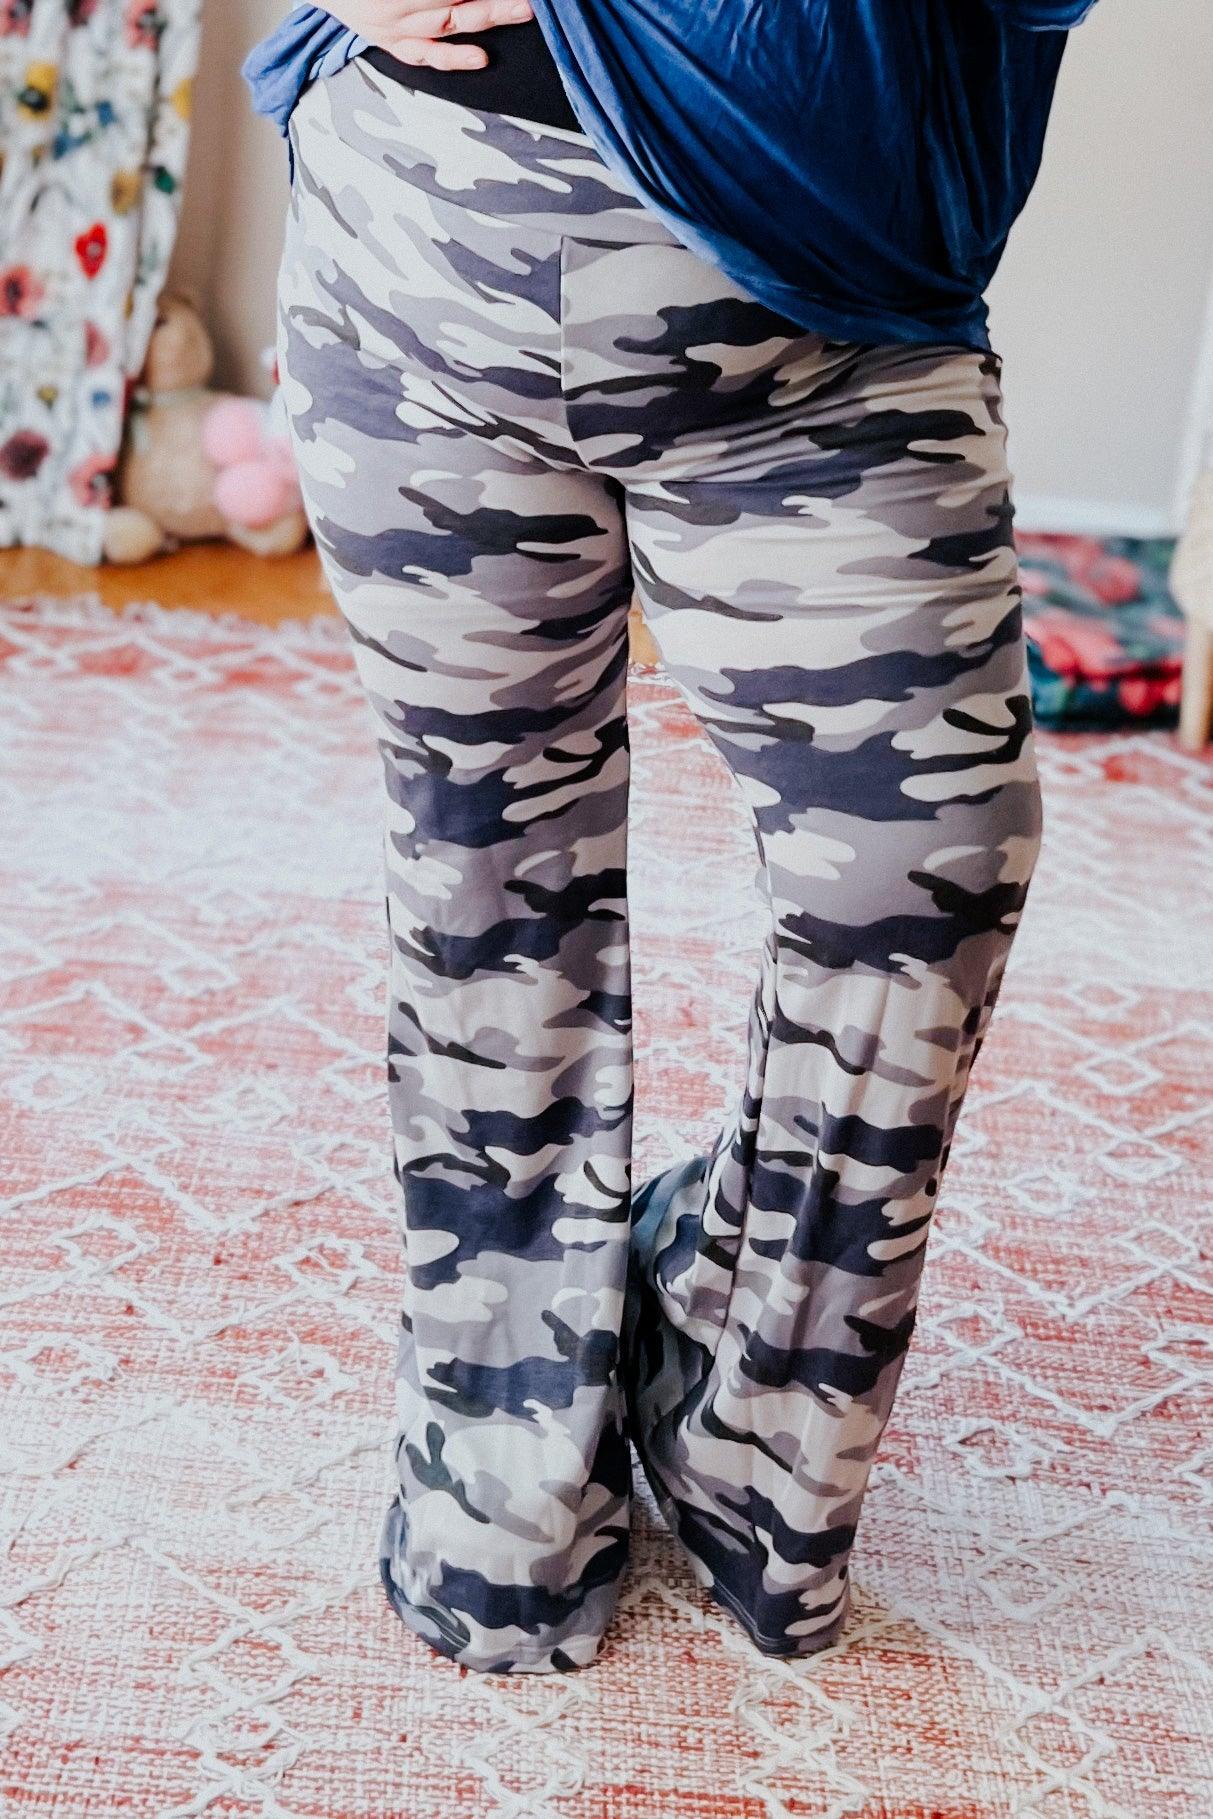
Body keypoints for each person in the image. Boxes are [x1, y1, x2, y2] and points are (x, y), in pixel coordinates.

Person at [244, 0, 1096, 1675]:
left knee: (925, 886)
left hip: (830, 324)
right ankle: (502, 1462)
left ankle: (732, 1365)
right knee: (488, 872)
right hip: (414, 247)